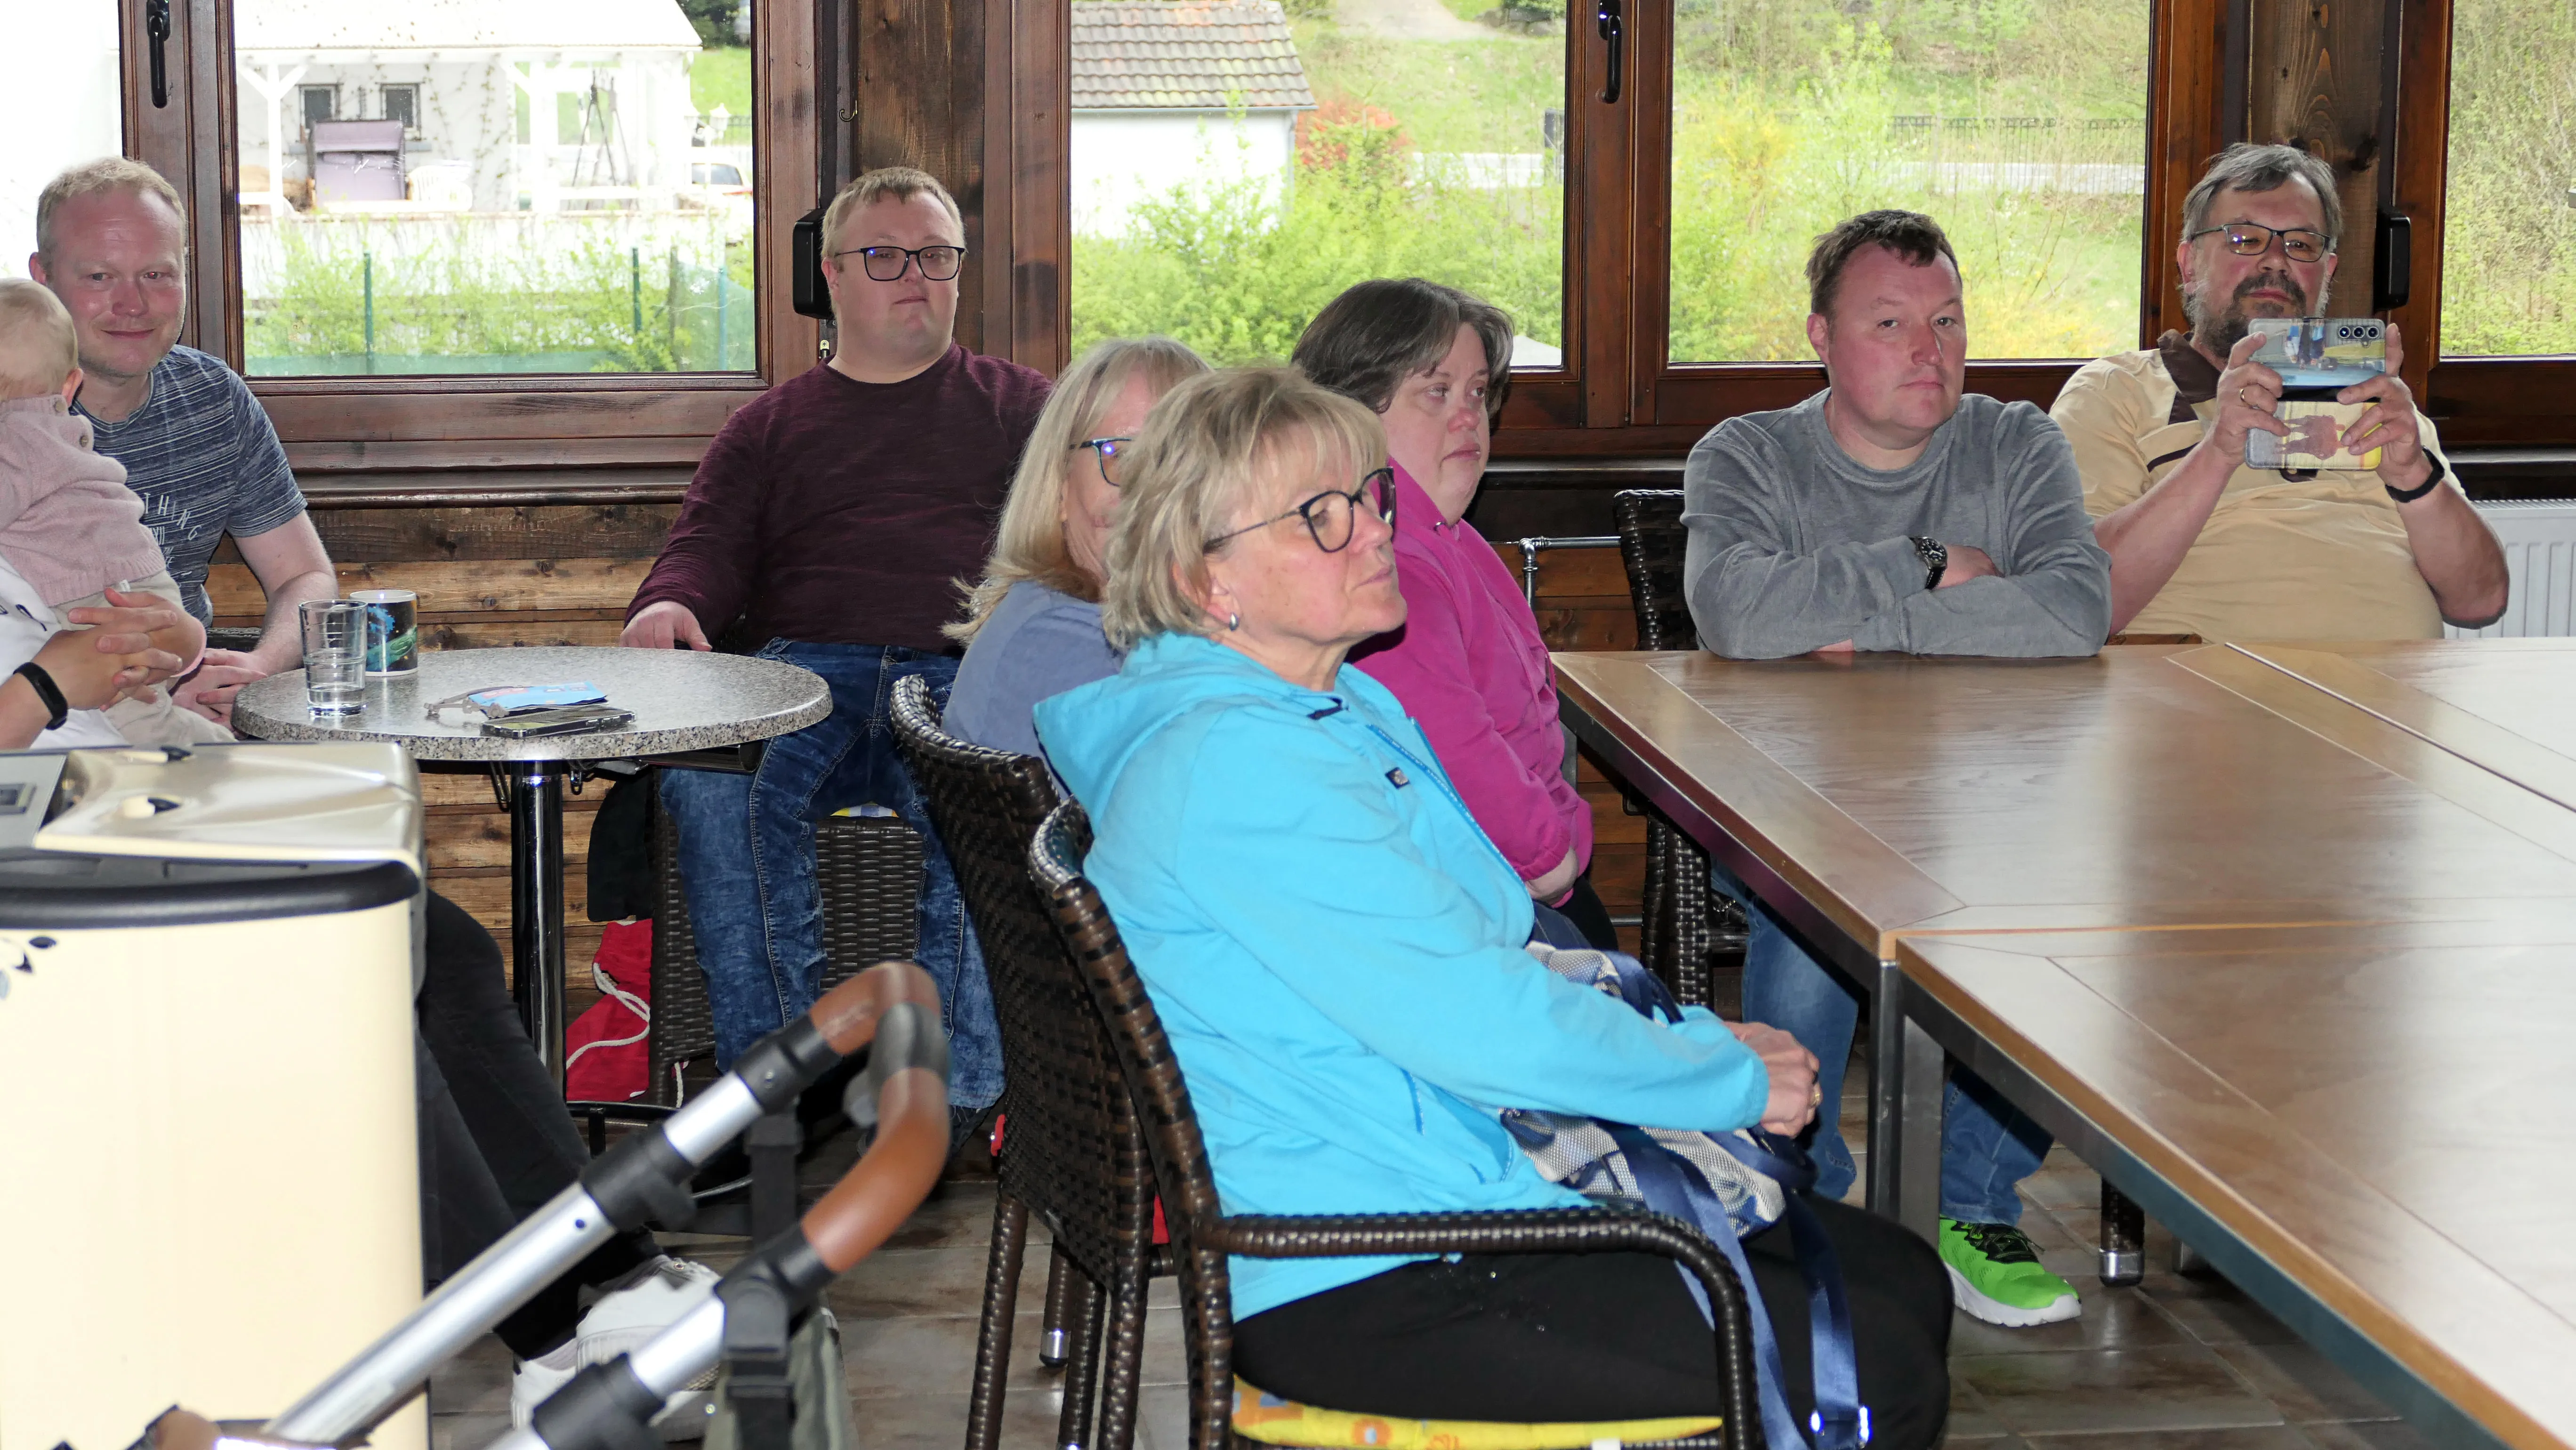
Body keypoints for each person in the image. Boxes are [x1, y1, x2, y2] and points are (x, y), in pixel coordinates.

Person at [1034, 367, 1950, 1448]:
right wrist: (1724, 1078)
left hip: (1436, 1179)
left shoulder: (1322, 707)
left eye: (1368, 495)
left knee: (1893, 1276)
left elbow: (1487, 949)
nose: (1372, 529)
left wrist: (1687, 1040)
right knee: (1873, 1354)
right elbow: (1477, 1021)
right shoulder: (1238, 769)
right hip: (1367, 1268)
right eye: (1318, 517)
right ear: (1205, 582)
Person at [1683, 209, 2110, 1329]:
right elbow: (1736, 611)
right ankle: (1800, 1196)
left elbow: (2072, 611)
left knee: (2071, 919)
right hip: (1792, 804)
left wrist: (1874, 623)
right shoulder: (1746, 455)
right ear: (1821, 336)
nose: (1930, 350)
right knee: (1813, 897)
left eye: (1946, 321)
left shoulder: (2014, 443)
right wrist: (1924, 564)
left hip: (1995, 808)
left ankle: (1970, 1206)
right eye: (1891, 324)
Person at [622, 167, 1049, 1144]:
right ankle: (778, 1090)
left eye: (937, 257)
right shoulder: (769, 426)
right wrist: (670, 604)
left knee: (1002, 797)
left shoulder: (1024, 409)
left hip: (963, 673)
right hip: (799, 677)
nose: (917, 276)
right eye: (886, 257)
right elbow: (705, 548)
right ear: (834, 278)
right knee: (707, 783)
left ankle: (958, 1095)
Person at [2053, 143, 2507, 639]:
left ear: (2327, 272)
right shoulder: (2115, 391)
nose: (2275, 262)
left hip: (2392, 706)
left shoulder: (2377, 399)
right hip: (2218, 703)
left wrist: (2412, 476)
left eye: (2301, 245)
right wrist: (2219, 451)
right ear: (2190, 264)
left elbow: (2482, 601)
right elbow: (2081, 599)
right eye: (2245, 238)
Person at [1290, 280, 1617, 951]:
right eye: (1436, 392)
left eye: (1477, 392)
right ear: (1350, 410)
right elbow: (1454, 747)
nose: (1469, 416)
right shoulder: (1387, 560)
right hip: (1481, 904)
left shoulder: (1447, 535)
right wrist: (1552, 864)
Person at [28, 158, 338, 726]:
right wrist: (155, 694)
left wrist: (254, 673)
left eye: (156, 275)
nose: (132, 305)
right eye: (99, 277)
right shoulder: (10, 419)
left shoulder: (214, 397)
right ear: (42, 281)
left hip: (187, 734)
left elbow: (306, 577)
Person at [943, 335, 1208, 757]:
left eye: (1179, 461)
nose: (1150, 494)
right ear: (1060, 487)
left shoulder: (1066, 614)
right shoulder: (1068, 644)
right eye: (1122, 457)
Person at [0, 279, 226, 745]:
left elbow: (172, 643)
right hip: (134, 575)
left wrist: (182, 637)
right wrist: (48, 684)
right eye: (99, 276)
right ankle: (209, 753)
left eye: (156, 274)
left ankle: (202, 752)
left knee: (139, 713)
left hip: (95, 593)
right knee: (143, 715)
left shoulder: (16, 440)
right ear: (70, 385)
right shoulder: (57, 431)